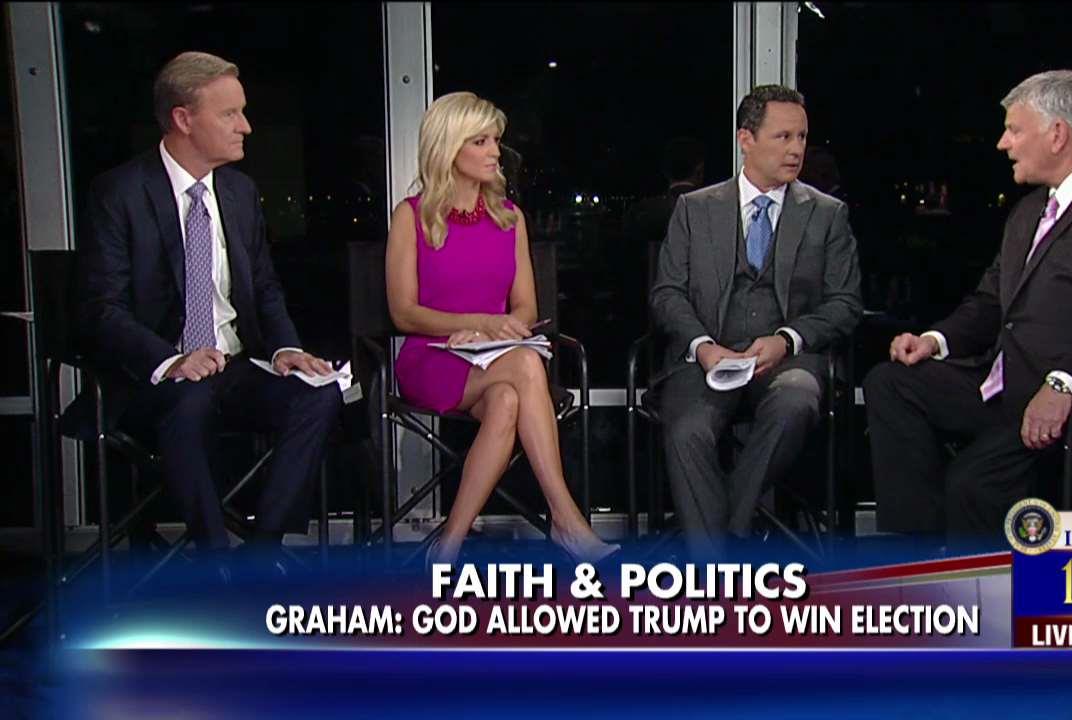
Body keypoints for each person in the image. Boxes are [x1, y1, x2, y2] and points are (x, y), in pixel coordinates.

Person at [864, 70, 1072, 540]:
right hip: (1007, 385)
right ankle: (919, 551)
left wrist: (1063, 382)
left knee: (974, 484)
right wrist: (935, 340)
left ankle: (977, 576)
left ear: (1057, 134)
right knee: (891, 383)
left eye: (1014, 130)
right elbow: (991, 301)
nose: (1002, 143)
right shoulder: (1030, 210)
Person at [76, 51, 341, 577]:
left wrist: (286, 348)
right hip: (154, 377)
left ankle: (261, 553)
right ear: (183, 118)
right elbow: (101, 309)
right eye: (230, 114)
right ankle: (213, 560)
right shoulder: (119, 193)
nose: (246, 126)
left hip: (233, 367)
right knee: (190, 400)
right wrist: (171, 360)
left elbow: (264, 287)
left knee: (319, 395)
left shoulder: (240, 192)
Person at [385, 91, 618, 566]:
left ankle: (447, 546)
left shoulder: (510, 218)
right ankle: (566, 520)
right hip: (432, 358)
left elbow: (526, 306)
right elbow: (403, 313)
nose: (496, 151)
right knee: (527, 366)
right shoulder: (411, 216)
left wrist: (497, 332)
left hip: (493, 358)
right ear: (449, 148)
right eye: (481, 141)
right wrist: (479, 324)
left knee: (508, 399)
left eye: (495, 140)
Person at [649, 85, 863, 560]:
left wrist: (788, 339)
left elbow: (846, 303)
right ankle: (720, 569)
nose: (796, 149)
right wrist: (703, 346)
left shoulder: (827, 215)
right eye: (783, 136)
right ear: (745, 139)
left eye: (802, 137)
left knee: (796, 403)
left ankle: (723, 539)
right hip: (707, 361)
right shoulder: (695, 209)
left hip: (788, 362)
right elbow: (667, 293)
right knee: (687, 432)